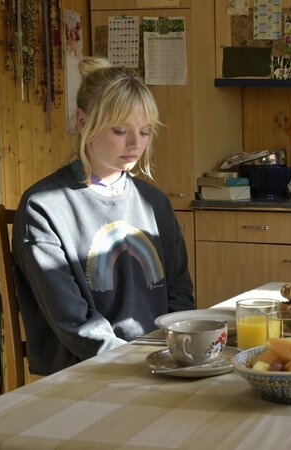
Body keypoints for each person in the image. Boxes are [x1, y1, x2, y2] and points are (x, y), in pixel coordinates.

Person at [13, 57, 195, 375]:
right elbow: (73, 321)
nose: (135, 143)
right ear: (83, 122)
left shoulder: (155, 203)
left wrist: (173, 352)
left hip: (157, 366)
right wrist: (132, 364)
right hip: (80, 376)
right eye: (120, 130)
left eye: (145, 132)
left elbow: (179, 294)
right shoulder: (43, 207)